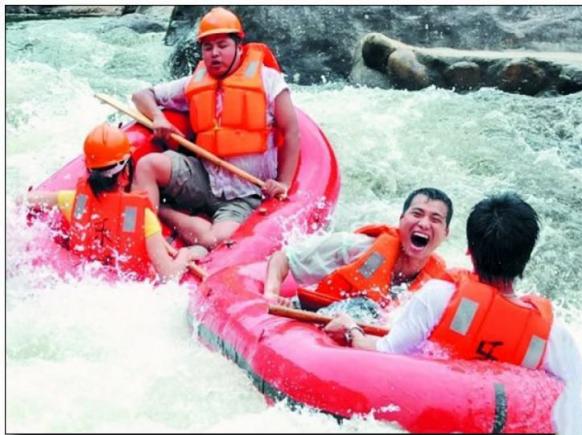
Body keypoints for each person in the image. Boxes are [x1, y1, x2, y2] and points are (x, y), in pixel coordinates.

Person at [323, 193, 582, 435]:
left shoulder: (440, 295)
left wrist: (352, 328)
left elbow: (385, 353)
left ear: (469, 251)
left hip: (426, 415)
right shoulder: (554, 336)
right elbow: (573, 416)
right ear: (526, 257)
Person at [130, 7, 300, 249]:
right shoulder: (195, 82)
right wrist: (158, 117)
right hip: (204, 177)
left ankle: (161, 213)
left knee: (215, 240)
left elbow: (292, 132)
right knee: (148, 165)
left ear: (239, 45)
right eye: (207, 47)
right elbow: (141, 95)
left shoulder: (269, 80)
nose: (214, 54)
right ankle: (149, 234)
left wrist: (284, 182)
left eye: (222, 45)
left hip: (245, 193)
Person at [25, 123, 204, 281]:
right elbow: (169, 275)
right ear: (126, 171)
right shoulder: (143, 218)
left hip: (86, 278)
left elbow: (27, 200)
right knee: (199, 250)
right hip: (129, 290)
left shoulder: (72, 200)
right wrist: (186, 254)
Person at [264, 187, 453, 315]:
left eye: (435, 219)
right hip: (314, 316)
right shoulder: (357, 247)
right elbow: (283, 257)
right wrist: (272, 293)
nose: (424, 223)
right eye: (417, 214)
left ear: (446, 233)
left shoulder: (439, 285)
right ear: (401, 219)